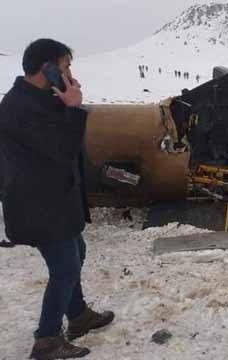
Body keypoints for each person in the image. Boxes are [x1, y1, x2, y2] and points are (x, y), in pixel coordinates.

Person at [0, 39, 114, 359]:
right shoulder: (18, 107)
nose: (69, 73)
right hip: (36, 203)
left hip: (53, 199)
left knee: (77, 250)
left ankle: (77, 315)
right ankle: (46, 339)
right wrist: (73, 108)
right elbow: (60, 150)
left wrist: (65, 100)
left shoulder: (38, 98)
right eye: (64, 67)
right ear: (46, 68)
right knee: (65, 266)